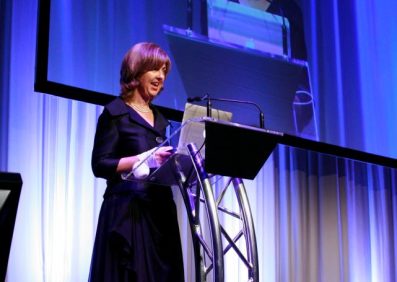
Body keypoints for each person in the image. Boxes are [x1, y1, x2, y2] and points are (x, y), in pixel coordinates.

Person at [89, 42, 184, 282]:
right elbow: (100, 165)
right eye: (156, 69)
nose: (161, 77)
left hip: (160, 215)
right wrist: (144, 159)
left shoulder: (162, 121)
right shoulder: (115, 113)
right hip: (127, 214)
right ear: (137, 69)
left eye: (165, 72)